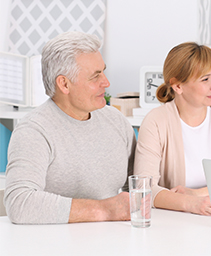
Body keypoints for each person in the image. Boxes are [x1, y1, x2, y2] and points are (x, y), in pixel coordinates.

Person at [4, 32, 136, 224]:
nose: (106, 82)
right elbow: (19, 202)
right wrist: (104, 210)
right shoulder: (34, 131)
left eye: (103, 71)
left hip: (113, 242)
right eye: (95, 76)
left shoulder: (117, 121)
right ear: (64, 84)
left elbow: (136, 188)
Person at [134, 42, 211, 216]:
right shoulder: (156, 121)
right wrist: (190, 203)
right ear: (178, 86)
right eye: (205, 79)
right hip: (175, 225)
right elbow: (143, 188)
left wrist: (197, 194)